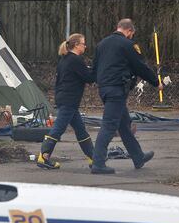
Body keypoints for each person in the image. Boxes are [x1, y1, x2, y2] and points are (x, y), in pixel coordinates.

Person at [90, 18, 162, 174]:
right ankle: (98, 163)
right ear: (130, 31)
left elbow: (94, 69)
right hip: (117, 90)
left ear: (118, 27)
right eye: (132, 34)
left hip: (104, 89)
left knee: (124, 125)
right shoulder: (128, 45)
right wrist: (156, 83)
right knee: (109, 126)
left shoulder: (102, 44)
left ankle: (138, 157)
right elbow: (140, 67)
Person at [37, 33, 97, 169]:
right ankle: (44, 156)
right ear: (76, 45)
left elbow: (59, 81)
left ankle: (93, 158)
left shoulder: (65, 59)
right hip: (69, 100)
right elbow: (88, 77)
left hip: (66, 99)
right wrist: (98, 68)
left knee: (81, 130)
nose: (85, 46)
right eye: (83, 44)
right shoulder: (76, 60)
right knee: (58, 128)